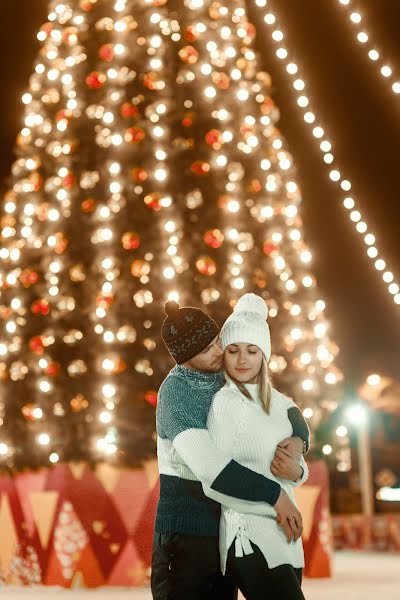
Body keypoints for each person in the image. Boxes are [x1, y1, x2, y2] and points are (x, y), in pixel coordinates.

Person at [151, 300, 310, 600]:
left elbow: (282, 405)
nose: (219, 352)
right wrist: (275, 495)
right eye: (207, 349)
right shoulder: (176, 394)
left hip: (220, 531)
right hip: (185, 534)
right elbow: (212, 467)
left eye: (217, 342)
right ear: (185, 358)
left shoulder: (220, 375)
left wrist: (300, 439)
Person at [206, 293, 307, 600]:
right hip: (247, 534)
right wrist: (275, 499)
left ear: (263, 354)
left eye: (252, 350)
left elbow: (296, 456)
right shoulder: (223, 404)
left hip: (287, 536)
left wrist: (297, 470)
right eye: (233, 350)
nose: (241, 359)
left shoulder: (280, 404)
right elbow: (216, 478)